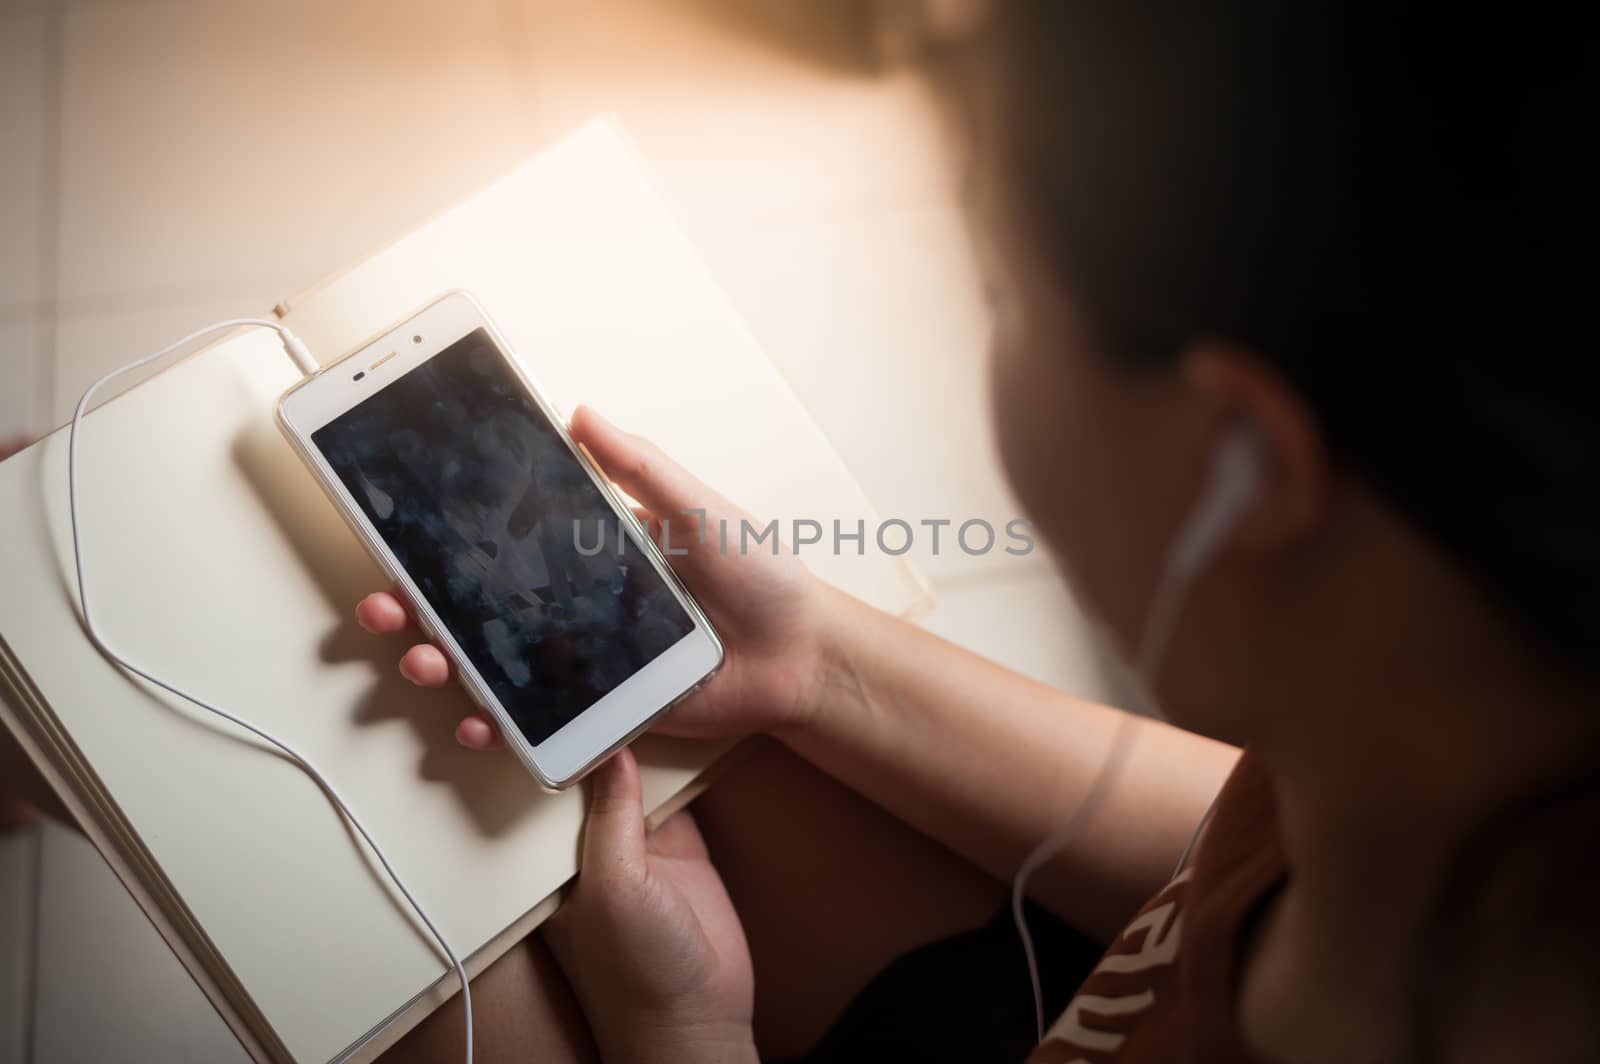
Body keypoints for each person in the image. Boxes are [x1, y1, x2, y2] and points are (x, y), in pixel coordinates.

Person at [5, 3, 1594, 1060]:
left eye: (1003, 294)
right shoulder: (1443, 748)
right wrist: (811, 664)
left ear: (1247, 459)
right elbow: (1226, 848)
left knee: (241, 761)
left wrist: (685, 1036)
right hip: (1093, 984)